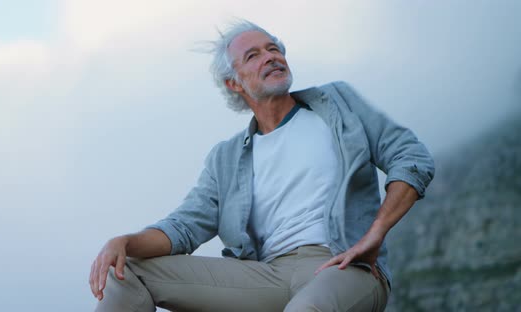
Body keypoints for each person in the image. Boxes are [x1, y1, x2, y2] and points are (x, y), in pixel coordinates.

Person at [89, 20, 434, 312]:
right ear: (234, 83)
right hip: (266, 276)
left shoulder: (337, 105)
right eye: (253, 55)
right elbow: (183, 228)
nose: (270, 57)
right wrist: (125, 241)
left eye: (273, 49)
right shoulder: (225, 159)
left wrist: (374, 236)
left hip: (345, 266)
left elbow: (411, 157)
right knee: (127, 271)